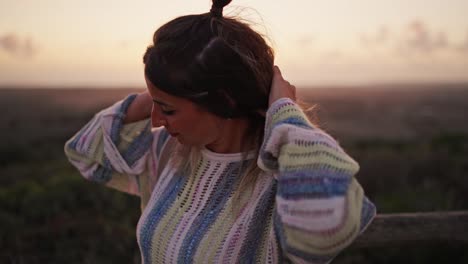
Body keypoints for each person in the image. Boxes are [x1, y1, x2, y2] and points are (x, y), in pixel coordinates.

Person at [64, 0, 376, 263]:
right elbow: (85, 154)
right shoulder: (168, 154)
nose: (155, 120)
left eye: (168, 110)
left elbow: (322, 231)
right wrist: (162, 88)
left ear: (224, 101)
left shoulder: (280, 181)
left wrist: (285, 113)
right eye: (154, 106)